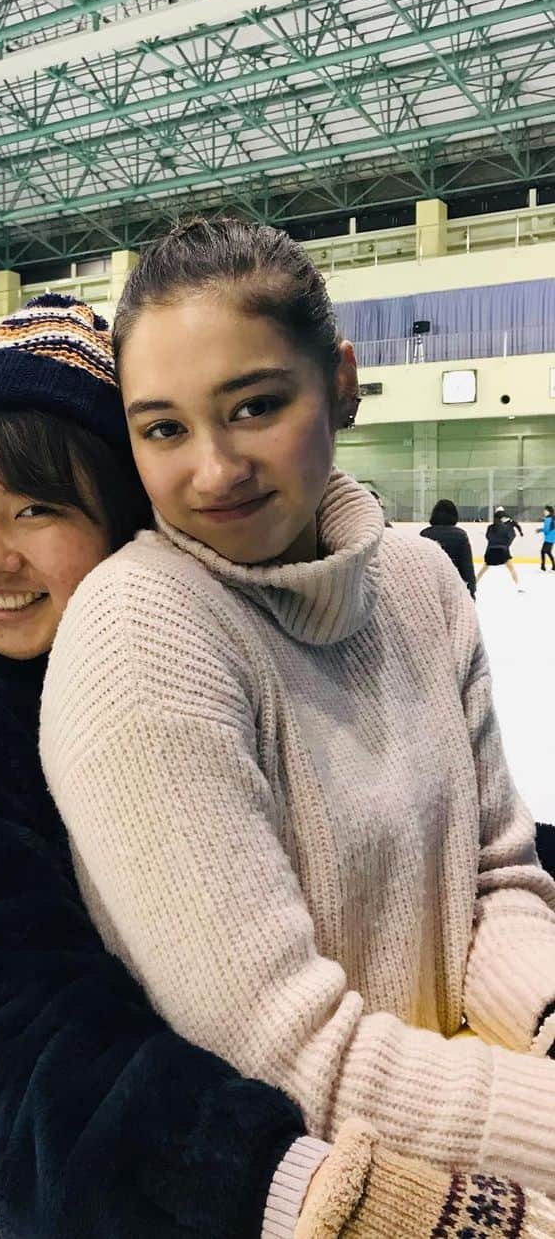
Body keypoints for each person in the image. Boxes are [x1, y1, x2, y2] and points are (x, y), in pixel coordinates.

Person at [0, 295, 555, 1239]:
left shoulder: (184, 645)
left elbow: (377, 835)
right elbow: (26, 1055)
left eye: (36, 509)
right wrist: (312, 1193)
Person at [41, 220, 555, 1199]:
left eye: (255, 405)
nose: (213, 467)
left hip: (477, 1145)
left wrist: (544, 1015)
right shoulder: (142, 628)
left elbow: (498, 876)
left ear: (342, 381)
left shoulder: (419, 583)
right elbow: (279, 1049)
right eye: (163, 428)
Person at [420, 498, 476, 597]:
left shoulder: (425, 534)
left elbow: (420, 565)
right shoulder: (460, 535)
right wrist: (471, 591)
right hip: (454, 585)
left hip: (430, 586)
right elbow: (467, 566)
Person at [478, 507, 525, 592]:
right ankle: (519, 586)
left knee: (484, 568)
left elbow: (488, 537)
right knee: (511, 568)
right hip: (503, 550)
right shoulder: (507, 526)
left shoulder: (490, 527)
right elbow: (510, 536)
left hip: (491, 550)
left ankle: (474, 583)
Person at [538, 505, 555, 573]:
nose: (544, 512)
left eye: (545, 511)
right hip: (552, 538)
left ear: (549, 512)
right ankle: (552, 567)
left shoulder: (548, 519)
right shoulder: (552, 518)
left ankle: (543, 567)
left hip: (549, 538)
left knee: (543, 551)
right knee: (547, 552)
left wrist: (540, 530)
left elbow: (547, 530)